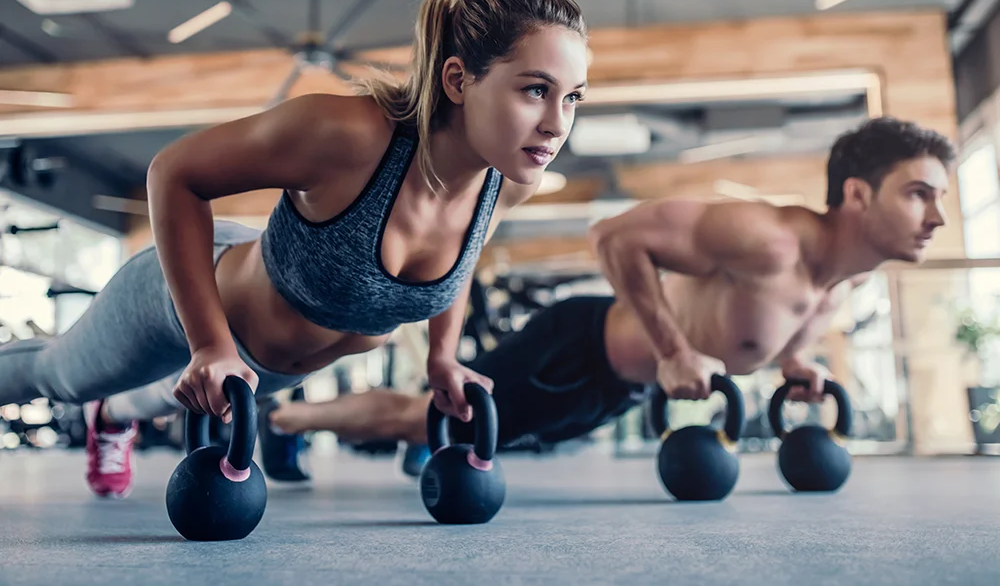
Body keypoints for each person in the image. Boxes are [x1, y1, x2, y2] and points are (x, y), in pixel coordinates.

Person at [0, 0, 590, 498]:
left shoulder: (509, 182)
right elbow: (175, 173)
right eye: (535, 89)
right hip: (186, 302)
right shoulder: (348, 135)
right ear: (458, 80)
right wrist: (209, 344)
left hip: (264, 368)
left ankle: (116, 416)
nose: (557, 123)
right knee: (60, 378)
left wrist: (442, 358)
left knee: (155, 397)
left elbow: (456, 265)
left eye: (572, 97)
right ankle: (105, 401)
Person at [253, 115, 954, 480]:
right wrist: (675, 349)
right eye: (919, 193)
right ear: (858, 195)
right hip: (577, 350)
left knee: (448, 429)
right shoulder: (767, 237)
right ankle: (284, 420)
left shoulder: (846, 278)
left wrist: (797, 361)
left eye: (942, 198)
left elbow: (782, 319)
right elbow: (613, 234)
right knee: (422, 421)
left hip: (609, 389)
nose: (938, 217)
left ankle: (293, 420)